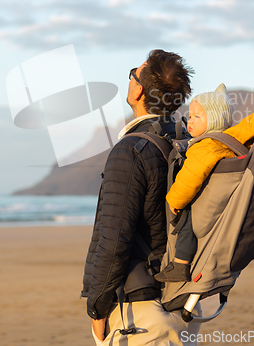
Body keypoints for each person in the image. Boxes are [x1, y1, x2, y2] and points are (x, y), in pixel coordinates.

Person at [81, 49, 201, 345]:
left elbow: (113, 238)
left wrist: (97, 310)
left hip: (141, 314)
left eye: (133, 73)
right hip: (183, 303)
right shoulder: (186, 145)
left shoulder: (131, 151)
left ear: (137, 90)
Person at [155, 84, 254, 283]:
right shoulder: (232, 139)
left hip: (207, 210)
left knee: (186, 216)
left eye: (197, 117)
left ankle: (180, 263)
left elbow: (189, 178)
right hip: (228, 204)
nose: (190, 122)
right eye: (190, 116)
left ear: (214, 119)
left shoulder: (205, 147)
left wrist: (175, 200)